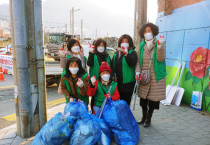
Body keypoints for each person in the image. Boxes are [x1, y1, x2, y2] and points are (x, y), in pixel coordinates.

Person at [136, 23, 166, 127]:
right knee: (143, 99)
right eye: (145, 31)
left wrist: (160, 46)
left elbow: (160, 59)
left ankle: (148, 119)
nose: (147, 33)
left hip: (155, 76)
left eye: (149, 31)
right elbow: (138, 61)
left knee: (153, 99)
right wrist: (137, 72)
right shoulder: (141, 45)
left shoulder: (160, 43)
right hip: (144, 76)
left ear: (153, 31)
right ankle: (143, 117)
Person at [112, 34, 137, 105]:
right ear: (120, 43)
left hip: (127, 84)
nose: (124, 43)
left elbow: (132, 63)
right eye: (122, 42)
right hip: (117, 83)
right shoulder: (116, 53)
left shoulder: (132, 52)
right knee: (117, 104)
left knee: (125, 104)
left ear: (130, 43)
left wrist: (126, 54)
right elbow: (112, 66)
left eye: (126, 42)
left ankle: (125, 116)